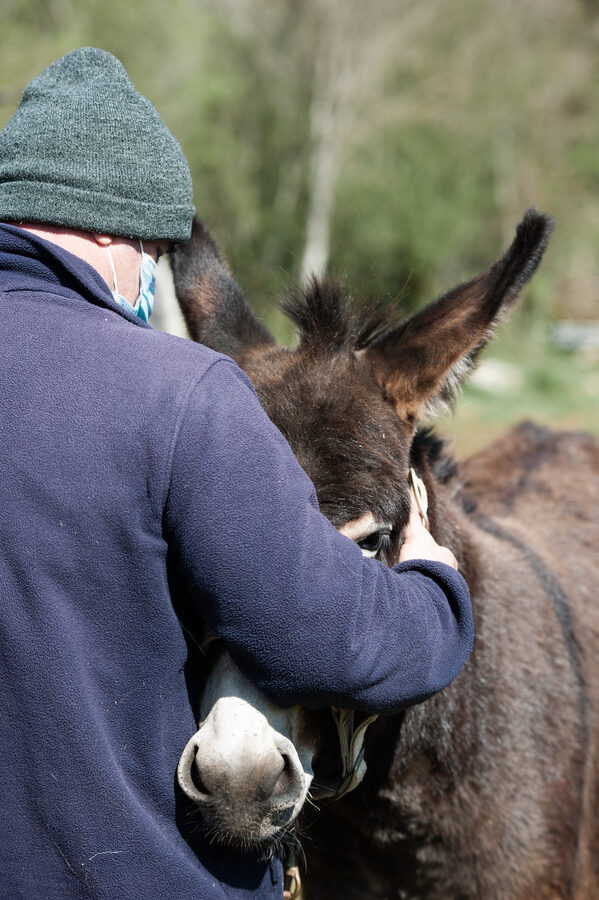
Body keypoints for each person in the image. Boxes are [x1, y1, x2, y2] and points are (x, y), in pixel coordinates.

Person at [0, 48, 472, 899]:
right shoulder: (175, 392)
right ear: (114, 231)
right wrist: (434, 592)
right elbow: (313, 636)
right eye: (150, 251)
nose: (147, 279)